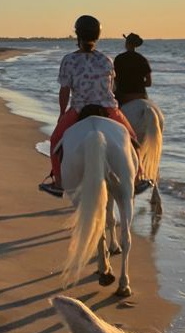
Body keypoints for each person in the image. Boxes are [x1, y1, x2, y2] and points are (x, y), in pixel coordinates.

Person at [39, 16, 152, 198]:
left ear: (78, 36)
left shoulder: (68, 60)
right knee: (133, 140)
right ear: (97, 36)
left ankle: (59, 183)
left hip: (79, 108)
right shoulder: (106, 60)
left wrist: (62, 113)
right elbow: (111, 88)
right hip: (108, 108)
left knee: (54, 143)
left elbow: (65, 90)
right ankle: (138, 179)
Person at [113, 32, 152, 106]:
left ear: (126, 43)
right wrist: (138, 84)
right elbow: (149, 83)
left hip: (124, 96)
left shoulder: (119, 59)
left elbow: (115, 80)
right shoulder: (142, 59)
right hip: (141, 95)